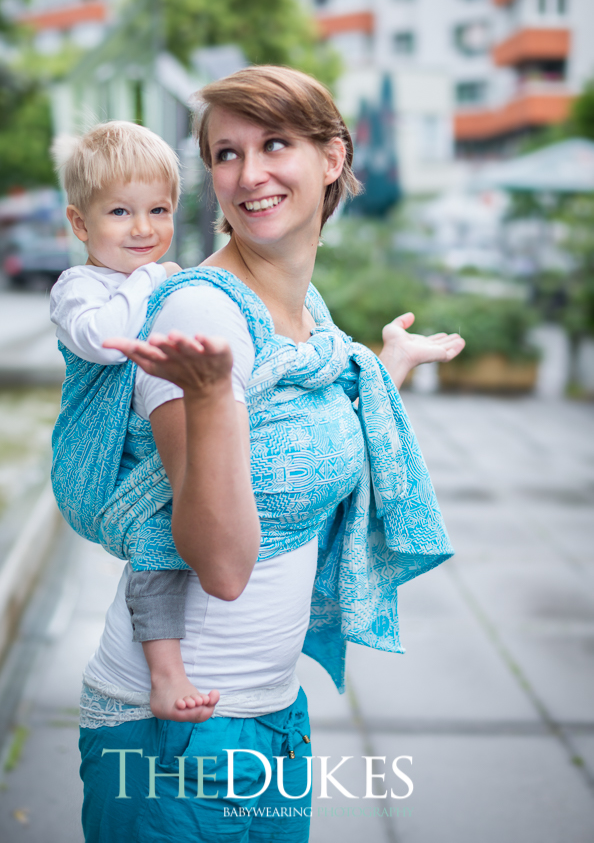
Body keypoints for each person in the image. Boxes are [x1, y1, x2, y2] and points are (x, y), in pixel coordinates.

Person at [52, 66, 465, 842]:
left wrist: (388, 369)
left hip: (271, 719)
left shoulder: (304, 310)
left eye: (275, 144)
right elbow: (223, 565)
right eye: (226, 153)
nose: (248, 173)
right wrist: (206, 398)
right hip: (172, 739)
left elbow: (299, 456)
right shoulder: (201, 314)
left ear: (332, 158)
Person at [50, 120, 220, 723]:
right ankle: (165, 673)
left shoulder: (152, 280)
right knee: (159, 542)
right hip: (96, 459)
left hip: (137, 446)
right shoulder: (79, 287)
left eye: (158, 210)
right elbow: (104, 340)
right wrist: (150, 278)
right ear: (80, 224)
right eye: (120, 212)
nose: (144, 229)